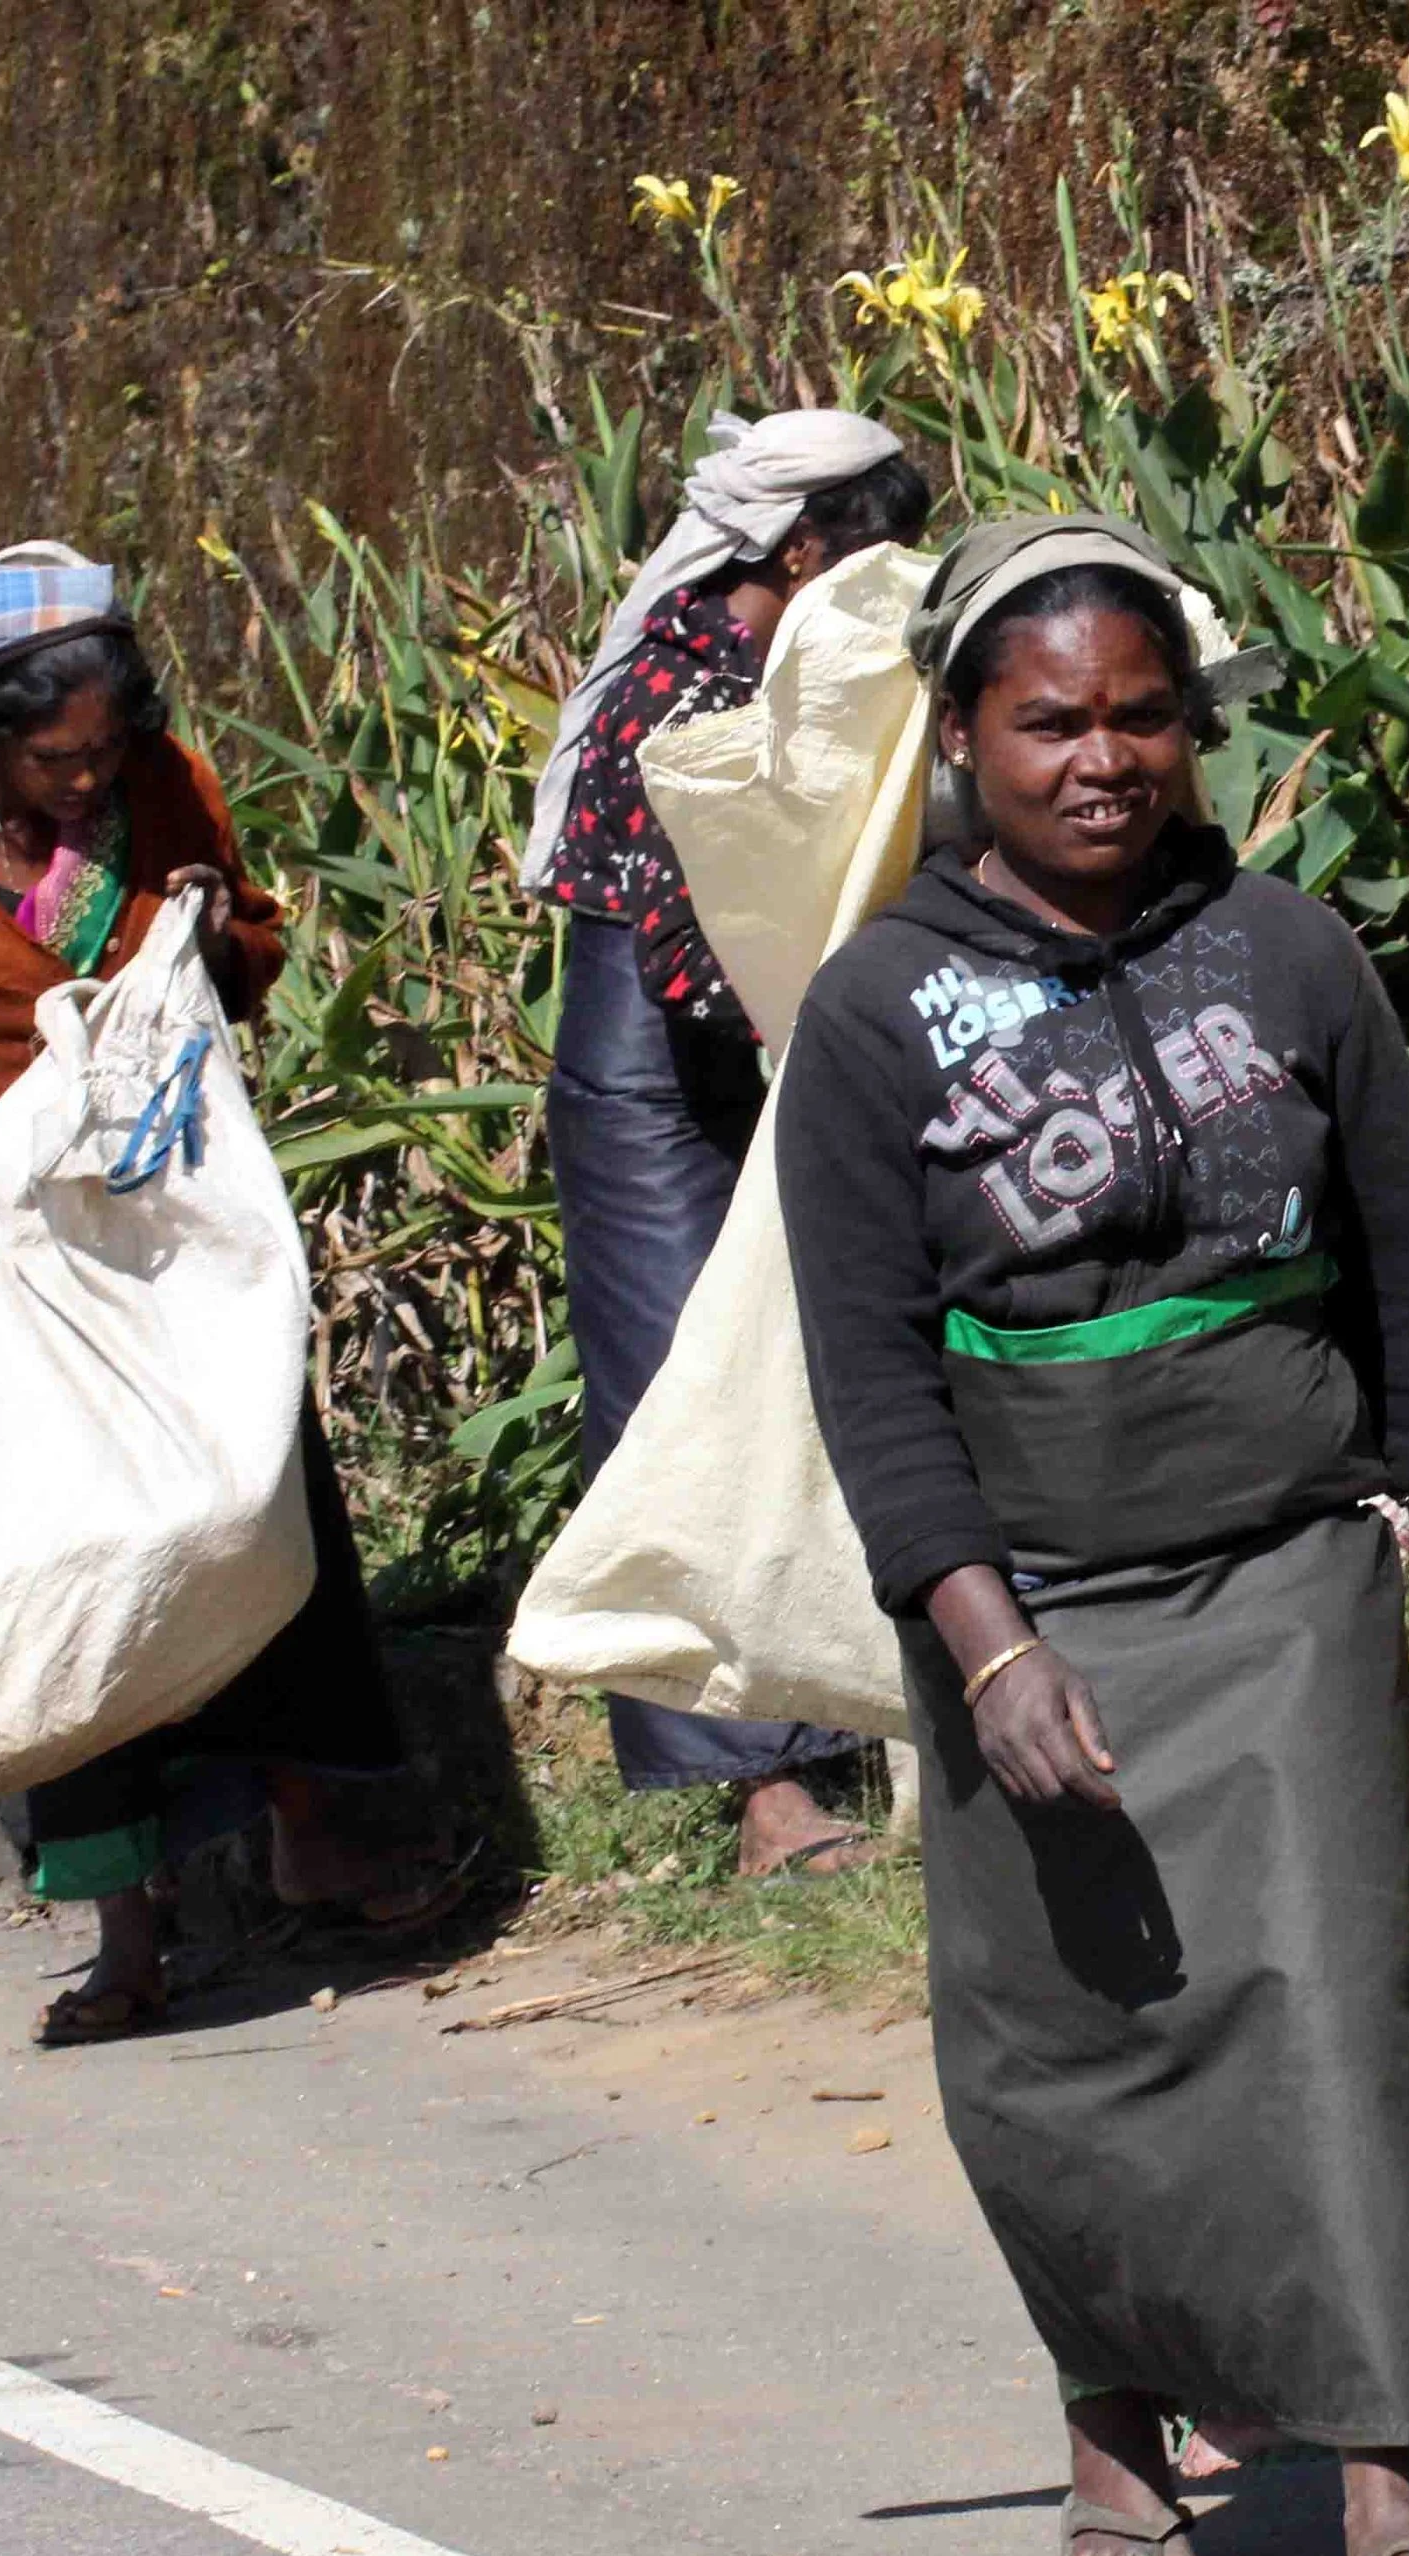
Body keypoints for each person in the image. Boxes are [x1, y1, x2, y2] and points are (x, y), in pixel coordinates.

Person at [774, 515, 1409, 2556]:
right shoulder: (870, 1016)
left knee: (1336, 1996)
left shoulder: (1291, 959)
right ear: (961, 738)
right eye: (1048, 721)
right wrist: (985, 1637)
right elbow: (865, 1370)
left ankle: (1384, 2491)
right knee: (1086, 2034)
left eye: (1141, 715)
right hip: (1025, 1583)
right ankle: (1113, 2407)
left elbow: (1407, 1284)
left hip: (1279, 1568)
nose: (1102, 758)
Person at [0, 548, 452, 2043]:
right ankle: (128, 1924)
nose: (90, 777)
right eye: (58, 757)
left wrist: (209, 922)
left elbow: (245, 945)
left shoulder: (161, 788)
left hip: (166, 1224)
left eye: (108, 746)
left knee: (250, 1495)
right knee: (47, 1561)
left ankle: (308, 1826)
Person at [524, 411, 932, 1874]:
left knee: (800, 1376)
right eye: (868, 552)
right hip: (653, 1090)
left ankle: (850, 1717)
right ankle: (762, 1795)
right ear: (802, 547)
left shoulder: (778, 673)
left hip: (748, 1058)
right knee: (680, 1391)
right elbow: (688, 931)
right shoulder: (677, 688)